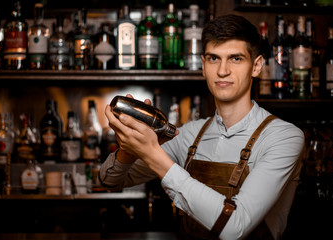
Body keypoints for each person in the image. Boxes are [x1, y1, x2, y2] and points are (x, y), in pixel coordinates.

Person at [99, 14, 304, 240]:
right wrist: (130, 146)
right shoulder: (189, 134)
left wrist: (152, 153)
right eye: (214, 58)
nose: (223, 70)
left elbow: (235, 227)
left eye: (235, 59)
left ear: (256, 67)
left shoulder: (283, 137)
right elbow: (109, 181)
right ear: (203, 66)